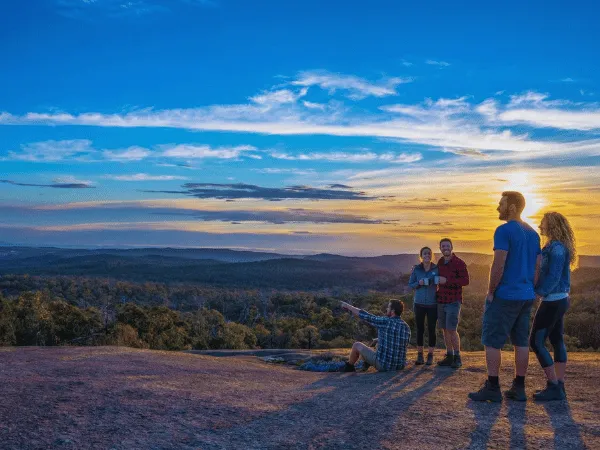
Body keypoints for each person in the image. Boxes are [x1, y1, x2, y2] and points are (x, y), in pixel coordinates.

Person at [469, 191, 541, 402]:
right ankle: (519, 387)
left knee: (492, 341)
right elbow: (538, 266)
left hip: (506, 295)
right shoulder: (533, 233)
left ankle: (492, 387)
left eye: (501, 204)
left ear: (511, 207)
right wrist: (531, 288)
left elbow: (498, 264)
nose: (497, 207)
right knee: (521, 341)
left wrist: (491, 292)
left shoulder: (503, 230)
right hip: (526, 295)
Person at [530, 212, 576, 401]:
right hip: (560, 299)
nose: (540, 226)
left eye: (543, 223)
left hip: (552, 300)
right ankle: (560, 385)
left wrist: (539, 292)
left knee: (536, 342)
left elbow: (554, 276)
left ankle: (553, 385)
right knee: (557, 339)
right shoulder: (555, 245)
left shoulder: (556, 248)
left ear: (552, 225)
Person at [340, 299, 410, 372]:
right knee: (376, 342)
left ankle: (349, 367)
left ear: (392, 311)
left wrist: (348, 306)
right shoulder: (406, 327)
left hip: (384, 366)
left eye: (388, 307)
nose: (387, 309)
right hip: (400, 366)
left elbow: (366, 316)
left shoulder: (386, 321)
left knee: (356, 345)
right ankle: (366, 364)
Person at [436, 238, 470, 369]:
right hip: (441, 300)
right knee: (444, 329)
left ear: (452, 247)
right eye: (443, 246)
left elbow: (465, 281)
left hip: (453, 301)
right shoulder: (440, 262)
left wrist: (447, 280)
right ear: (440, 248)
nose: (445, 248)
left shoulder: (459, 263)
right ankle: (449, 355)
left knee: (451, 329)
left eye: (447, 246)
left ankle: (457, 357)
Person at [408, 247, 439, 365]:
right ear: (421, 255)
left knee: (432, 329)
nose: (427, 255)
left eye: (429, 253)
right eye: (425, 253)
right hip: (419, 303)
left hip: (433, 303)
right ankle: (420, 355)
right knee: (420, 329)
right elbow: (411, 284)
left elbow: (441, 280)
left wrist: (438, 280)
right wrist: (419, 283)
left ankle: (430, 355)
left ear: (431, 255)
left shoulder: (436, 268)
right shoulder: (416, 269)